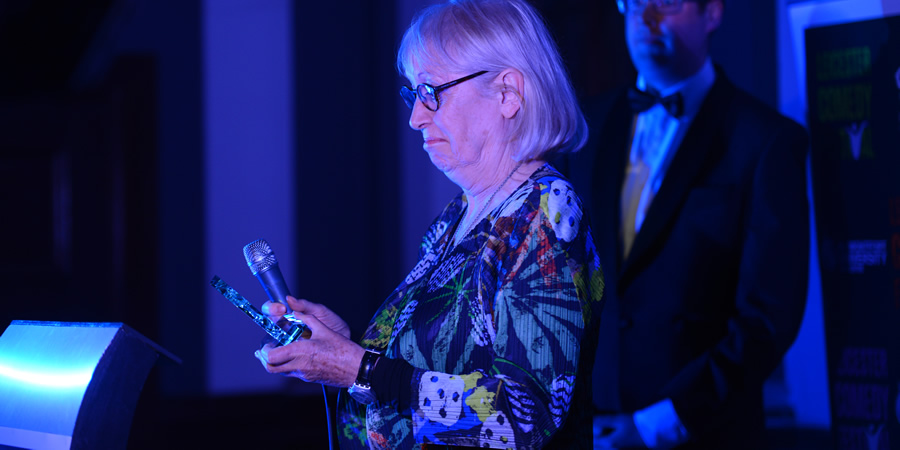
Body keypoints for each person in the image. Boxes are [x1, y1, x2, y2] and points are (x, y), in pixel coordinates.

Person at [255, 0, 604, 448]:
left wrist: (360, 367)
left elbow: (525, 416)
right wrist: (341, 346)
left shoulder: (546, 212)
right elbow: (427, 373)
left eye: (431, 91)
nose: (416, 117)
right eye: (412, 94)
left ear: (507, 94)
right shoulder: (459, 215)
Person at [565, 0, 809, 448]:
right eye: (633, 2)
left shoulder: (767, 142)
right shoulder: (584, 129)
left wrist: (656, 424)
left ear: (712, 13)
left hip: (703, 435)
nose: (646, 16)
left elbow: (767, 320)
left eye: (666, 2)